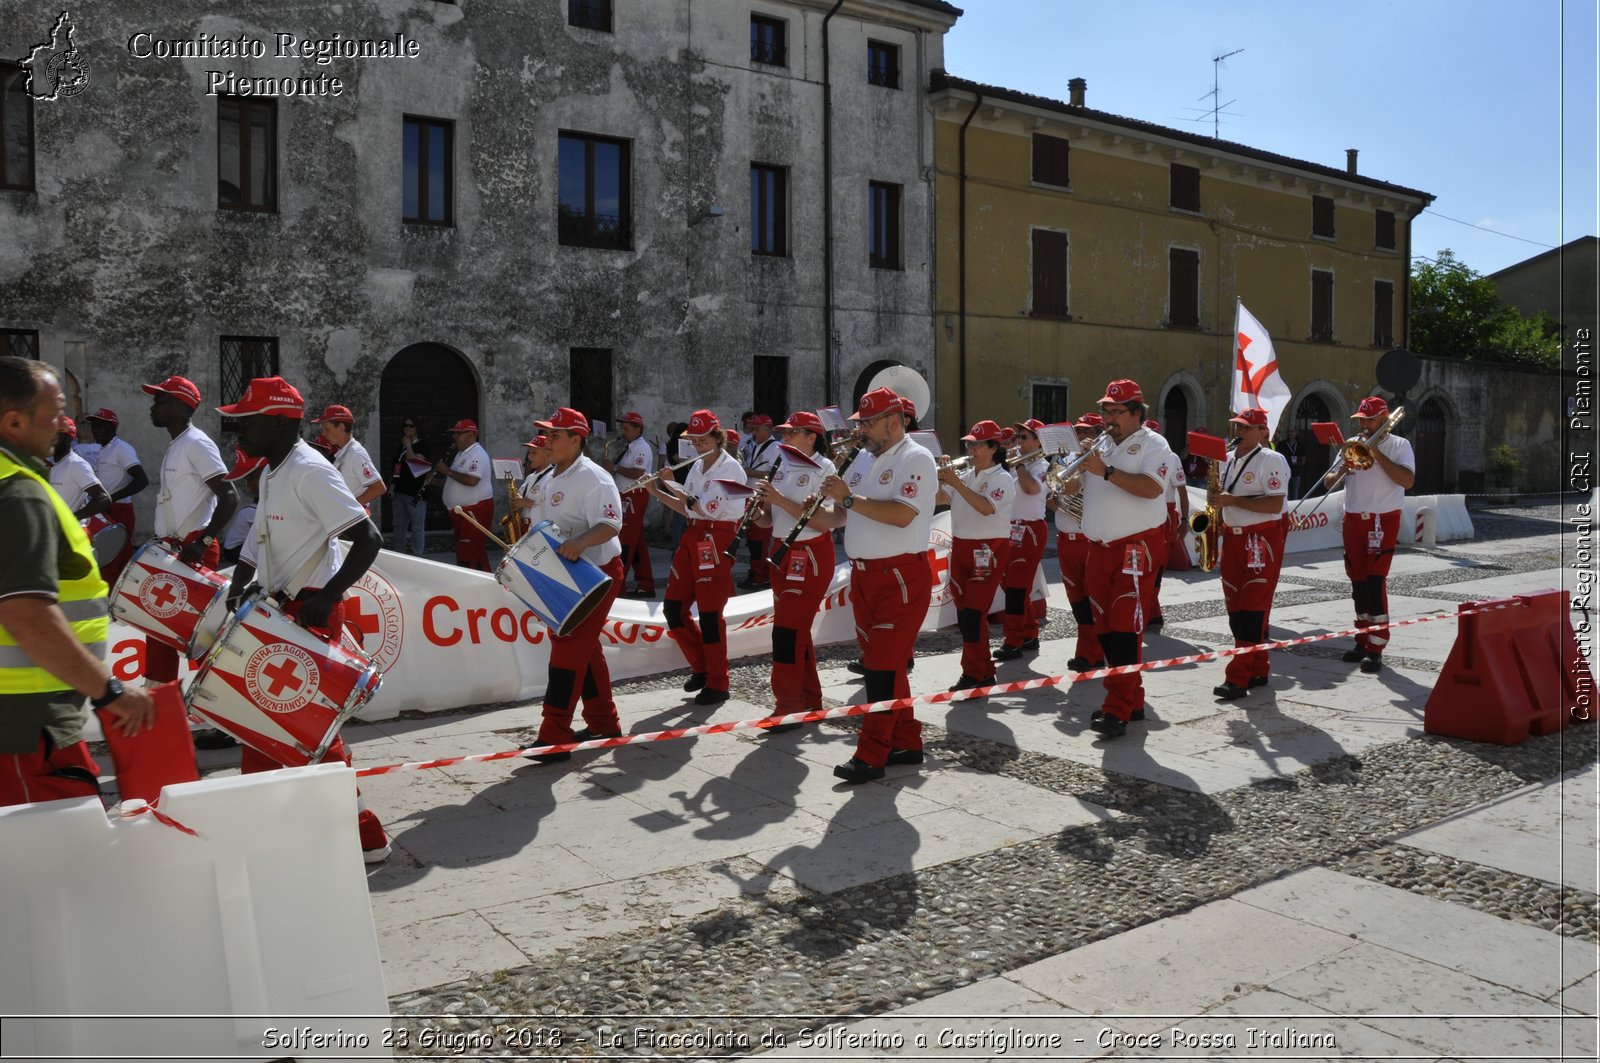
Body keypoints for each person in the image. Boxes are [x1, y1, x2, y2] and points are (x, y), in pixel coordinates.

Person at [217, 375, 391, 862]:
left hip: (309, 611)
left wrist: (328, 596)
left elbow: (368, 538)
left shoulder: (311, 470)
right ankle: (274, 829)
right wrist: (238, 586)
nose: (238, 432)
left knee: (303, 727)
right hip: (279, 613)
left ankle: (364, 834)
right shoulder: (273, 471)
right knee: (264, 723)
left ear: (276, 421)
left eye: (245, 421)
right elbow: (257, 548)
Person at [0, 357, 155, 807]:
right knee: (55, 863)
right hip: (28, 727)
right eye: (53, 416)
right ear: (13, 421)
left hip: (33, 724)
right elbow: (26, 614)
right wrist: (110, 690)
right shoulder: (19, 493)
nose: (61, 427)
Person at [816, 387, 937, 783]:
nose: (862, 429)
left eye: (868, 422)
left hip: (900, 575)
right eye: (860, 423)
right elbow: (840, 515)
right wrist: (804, 509)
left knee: (880, 666)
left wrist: (848, 500)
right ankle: (907, 741)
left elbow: (902, 514)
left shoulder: (916, 458)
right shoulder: (863, 459)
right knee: (889, 663)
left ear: (893, 420)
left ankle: (871, 755)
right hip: (865, 574)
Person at [1068, 380, 1174, 740]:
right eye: (1106, 411)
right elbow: (1069, 489)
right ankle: (1133, 696)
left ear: (1136, 413)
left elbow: (1152, 489)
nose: (1108, 418)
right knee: (1104, 627)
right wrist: (1073, 467)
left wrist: (1107, 472)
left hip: (1136, 546)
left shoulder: (1154, 445)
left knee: (1125, 624)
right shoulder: (1099, 445)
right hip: (1098, 546)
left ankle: (1116, 708)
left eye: (1116, 411)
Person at [518, 408, 626, 761]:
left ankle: (554, 735)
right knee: (584, 650)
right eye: (547, 435)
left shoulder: (593, 478)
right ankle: (603, 723)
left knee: (567, 650)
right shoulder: (551, 475)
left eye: (555, 435)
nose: (547, 441)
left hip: (596, 576)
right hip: (566, 576)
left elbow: (610, 524)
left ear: (576, 439)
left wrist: (579, 543)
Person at [645, 409, 744, 706]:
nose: (697, 446)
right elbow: (687, 509)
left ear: (717, 437)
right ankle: (702, 667)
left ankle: (718, 681)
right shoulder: (699, 467)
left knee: (711, 614)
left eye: (702, 440)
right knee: (673, 608)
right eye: (693, 441)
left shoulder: (731, 469)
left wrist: (674, 483)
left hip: (717, 536)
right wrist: (658, 491)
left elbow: (707, 508)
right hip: (693, 535)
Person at [144, 375, 236, 690]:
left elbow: (229, 495)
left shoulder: (197, 443)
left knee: (202, 635)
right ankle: (159, 708)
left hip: (192, 551)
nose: (153, 406)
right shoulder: (178, 445)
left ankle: (220, 706)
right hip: (174, 551)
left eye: (160, 400)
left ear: (181, 405)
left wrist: (205, 540)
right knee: (160, 632)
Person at [750, 410, 837, 731]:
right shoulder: (782, 465)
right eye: (783, 433)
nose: (784, 438)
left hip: (809, 551)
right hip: (780, 548)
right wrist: (757, 510)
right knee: (795, 627)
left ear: (811, 436)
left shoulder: (825, 469)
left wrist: (778, 498)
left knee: (786, 629)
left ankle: (787, 706)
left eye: (791, 433)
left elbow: (818, 517)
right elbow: (769, 519)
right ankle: (809, 699)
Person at [1329, 395, 1415, 673]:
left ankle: (1376, 646)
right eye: (1361, 420)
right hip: (1354, 518)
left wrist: (1375, 452)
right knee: (1357, 582)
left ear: (1384, 419)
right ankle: (1362, 637)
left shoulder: (1400, 445)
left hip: (1382, 518)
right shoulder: (1351, 445)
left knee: (1375, 581)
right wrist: (1343, 466)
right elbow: (1329, 483)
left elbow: (1407, 480)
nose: (1364, 424)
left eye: (1369, 419)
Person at [1209, 407, 1290, 699]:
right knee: (1235, 607)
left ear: (1262, 432)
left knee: (1252, 609)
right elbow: (1223, 499)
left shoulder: (1272, 459)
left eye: (1245, 427)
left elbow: (1274, 505)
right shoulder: (1226, 460)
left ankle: (1237, 678)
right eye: (1236, 426)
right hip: (1233, 538)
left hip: (1261, 539)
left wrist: (1234, 501)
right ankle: (1258, 667)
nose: (1238, 432)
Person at [937, 419, 1015, 692]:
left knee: (973, 613)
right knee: (966, 614)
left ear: (994, 448)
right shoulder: (968, 475)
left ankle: (973, 672)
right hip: (961, 546)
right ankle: (982, 670)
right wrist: (938, 474)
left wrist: (955, 482)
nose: (971, 449)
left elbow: (985, 507)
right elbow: (938, 498)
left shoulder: (1002, 478)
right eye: (970, 444)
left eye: (978, 445)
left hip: (988, 548)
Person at [1048, 414, 1105, 671]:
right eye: (1078, 431)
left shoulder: (1099, 458)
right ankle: (1086, 650)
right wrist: (1054, 502)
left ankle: (1092, 652)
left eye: (1086, 431)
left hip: (1087, 538)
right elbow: (1059, 490)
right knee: (1076, 599)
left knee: (1092, 598)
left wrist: (1061, 488)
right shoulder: (1070, 459)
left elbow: (1070, 489)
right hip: (1066, 538)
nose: (1081, 435)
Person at [996, 419, 1049, 662]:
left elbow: (1031, 489)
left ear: (1038, 441)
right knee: (1010, 585)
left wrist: (1017, 466)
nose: (1018, 441)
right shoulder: (1022, 464)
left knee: (1017, 590)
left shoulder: (1043, 466)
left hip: (1030, 530)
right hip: (1012, 528)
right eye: (1018, 436)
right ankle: (1029, 633)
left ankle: (1013, 641)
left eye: (1024, 437)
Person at [78, 407, 148, 587]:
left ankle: (117, 600)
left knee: (118, 559)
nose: (96, 430)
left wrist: (111, 498)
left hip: (120, 510)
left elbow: (141, 480)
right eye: (94, 426)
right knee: (105, 557)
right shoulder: (103, 449)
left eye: (100, 425)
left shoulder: (122, 448)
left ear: (113, 426)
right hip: (105, 509)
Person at [602, 411, 656, 598]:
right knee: (637, 542)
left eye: (626, 428)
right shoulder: (631, 446)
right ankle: (645, 584)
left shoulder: (642, 447)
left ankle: (619, 586)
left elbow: (638, 473)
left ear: (637, 428)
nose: (622, 431)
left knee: (625, 541)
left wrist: (615, 468)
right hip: (626, 495)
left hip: (633, 496)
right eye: (622, 428)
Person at [438, 418, 494, 570]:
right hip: (462, 512)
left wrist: (447, 471)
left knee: (467, 554)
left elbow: (471, 481)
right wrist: (435, 482)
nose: (455, 437)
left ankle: (469, 586)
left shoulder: (478, 454)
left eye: (459, 434)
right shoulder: (461, 454)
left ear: (472, 434)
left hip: (474, 510)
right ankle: (487, 582)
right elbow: (456, 480)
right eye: (454, 434)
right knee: (477, 553)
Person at [316, 404, 386, 512]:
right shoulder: (344, 451)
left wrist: (350, 508)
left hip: (352, 519)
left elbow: (378, 488)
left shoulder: (355, 453)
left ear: (341, 427)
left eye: (326, 428)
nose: (323, 433)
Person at [738, 414, 779, 590]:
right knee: (752, 539)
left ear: (767, 429)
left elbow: (775, 473)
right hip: (750, 494)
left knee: (759, 540)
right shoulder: (752, 445)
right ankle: (755, 572)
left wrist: (750, 472)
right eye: (752, 429)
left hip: (762, 496)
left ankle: (761, 575)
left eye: (756, 429)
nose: (753, 433)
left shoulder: (776, 447)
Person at [47, 417, 111, 520]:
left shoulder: (76, 464)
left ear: (69, 438)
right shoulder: (52, 464)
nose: (51, 436)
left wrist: (71, 520)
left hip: (67, 533)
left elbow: (103, 497)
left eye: (57, 432)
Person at [389, 416, 430, 555]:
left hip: (415, 493)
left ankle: (418, 556)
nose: (407, 428)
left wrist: (408, 445)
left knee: (417, 527)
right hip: (400, 491)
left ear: (417, 428)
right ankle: (398, 554)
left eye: (411, 426)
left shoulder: (423, 445)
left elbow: (415, 464)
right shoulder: (401, 446)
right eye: (405, 426)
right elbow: (397, 466)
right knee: (398, 526)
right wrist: (392, 485)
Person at [219, 447, 265, 566]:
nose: (249, 486)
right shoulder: (252, 511)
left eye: (251, 478)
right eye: (247, 480)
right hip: (234, 551)